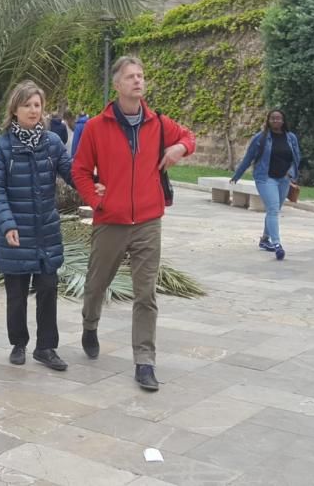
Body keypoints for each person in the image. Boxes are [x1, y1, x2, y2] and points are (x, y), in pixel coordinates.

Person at [72, 56, 195, 391]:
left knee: (146, 293)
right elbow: (80, 170)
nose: (138, 81)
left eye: (141, 76)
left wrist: (179, 149)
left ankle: (145, 361)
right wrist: (97, 200)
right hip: (110, 220)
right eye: (130, 76)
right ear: (117, 84)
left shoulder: (158, 122)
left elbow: (189, 137)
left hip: (148, 221)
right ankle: (90, 324)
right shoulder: (97, 127)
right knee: (97, 284)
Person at [0, 81, 75, 371]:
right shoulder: (1, 147)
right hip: (16, 231)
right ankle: (19, 343)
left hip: (45, 231)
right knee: (17, 292)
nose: (33, 110)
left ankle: (46, 347)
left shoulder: (52, 143)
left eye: (37, 105)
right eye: (27, 105)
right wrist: (7, 223)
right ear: (15, 109)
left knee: (49, 287)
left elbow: (72, 172)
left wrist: (97, 185)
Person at [230, 109, 301, 260]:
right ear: (268, 121)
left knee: (274, 209)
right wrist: (237, 175)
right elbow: (249, 157)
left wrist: (292, 174)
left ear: (283, 121)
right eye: (273, 118)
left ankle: (264, 239)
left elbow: (296, 157)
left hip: (284, 179)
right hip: (265, 178)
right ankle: (277, 244)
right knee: (274, 209)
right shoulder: (260, 138)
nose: (276, 121)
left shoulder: (291, 138)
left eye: (279, 118)